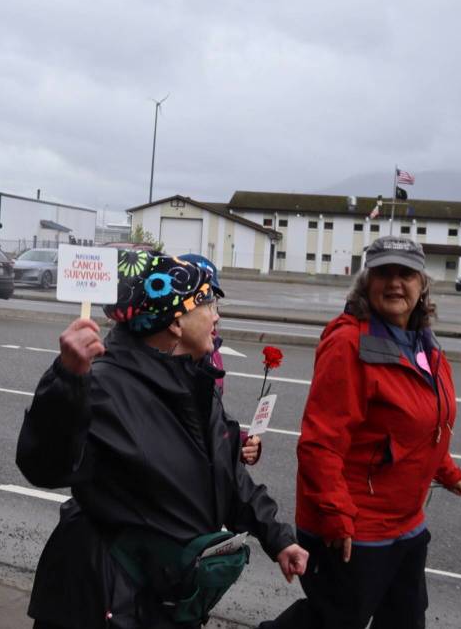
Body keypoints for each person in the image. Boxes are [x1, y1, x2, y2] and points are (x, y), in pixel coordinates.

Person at [17, 251, 308, 629]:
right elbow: (45, 467)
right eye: (208, 303)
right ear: (175, 321)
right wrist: (66, 381)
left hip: (164, 597)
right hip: (105, 599)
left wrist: (278, 538)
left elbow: (227, 474)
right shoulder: (104, 384)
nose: (217, 316)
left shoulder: (194, 381)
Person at [261, 236, 461, 629]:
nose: (395, 283)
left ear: (422, 284)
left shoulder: (424, 343)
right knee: (335, 620)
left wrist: (449, 472)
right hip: (356, 526)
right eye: (384, 273)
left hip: (407, 523)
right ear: (367, 282)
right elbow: (319, 444)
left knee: (406, 619)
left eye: (406, 274)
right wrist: (338, 518)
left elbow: (422, 427)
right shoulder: (348, 343)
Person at [178, 253, 261, 465]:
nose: (216, 316)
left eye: (214, 303)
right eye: (205, 303)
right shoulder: (164, 364)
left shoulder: (212, 354)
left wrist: (240, 443)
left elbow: (214, 420)